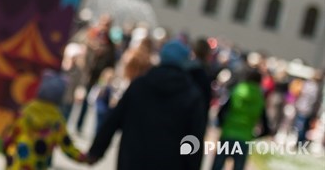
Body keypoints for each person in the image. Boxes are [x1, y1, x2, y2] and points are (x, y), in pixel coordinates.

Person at [87, 40, 206, 170]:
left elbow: (114, 120)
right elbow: (194, 139)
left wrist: (96, 151)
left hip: (133, 159)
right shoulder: (192, 95)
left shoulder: (140, 85)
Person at [1, 71, 87, 170]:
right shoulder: (57, 121)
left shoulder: (25, 111)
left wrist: (5, 147)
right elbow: (66, 145)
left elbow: (12, 133)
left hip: (17, 164)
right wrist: (82, 157)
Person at [211, 68, 270, 170]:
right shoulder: (260, 99)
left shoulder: (236, 91)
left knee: (217, 166)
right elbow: (266, 128)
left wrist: (222, 126)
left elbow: (221, 113)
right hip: (244, 138)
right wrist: (253, 136)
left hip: (228, 134)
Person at [75, 14, 116, 134]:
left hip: (97, 77)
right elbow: (78, 46)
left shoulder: (110, 43)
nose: (105, 26)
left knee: (89, 101)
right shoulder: (89, 35)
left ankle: (80, 126)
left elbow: (111, 63)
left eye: (108, 24)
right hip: (83, 73)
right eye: (104, 23)